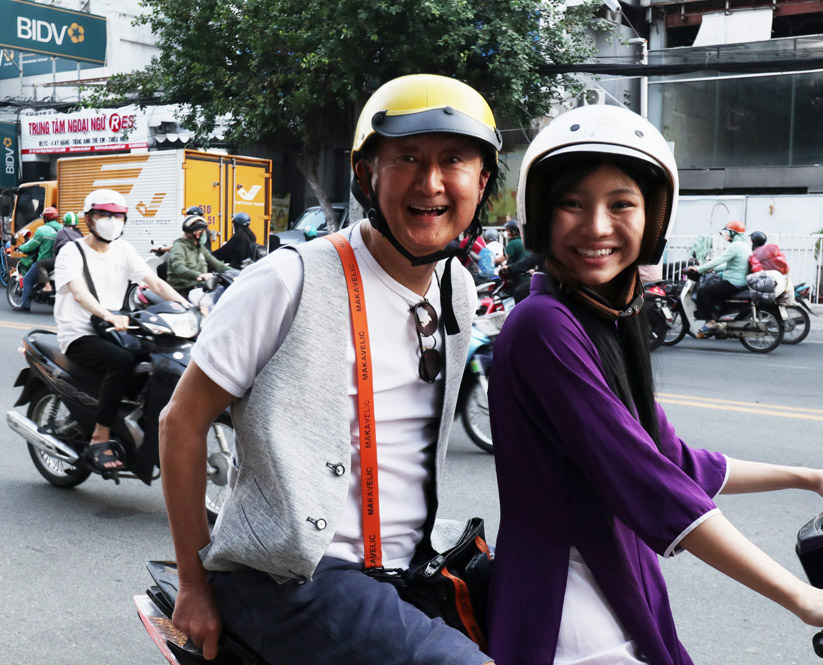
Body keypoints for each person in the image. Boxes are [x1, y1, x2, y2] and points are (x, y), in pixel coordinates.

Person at [486, 104, 823, 665]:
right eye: (572, 203)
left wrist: (809, 478)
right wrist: (803, 598)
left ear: (653, 219)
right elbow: (649, 481)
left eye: (621, 204)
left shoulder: (605, 317)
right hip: (567, 608)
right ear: (540, 215)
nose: (597, 226)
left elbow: (673, 458)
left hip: (611, 580)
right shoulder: (543, 325)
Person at [159, 74, 501, 665]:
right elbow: (180, 423)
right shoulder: (287, 280)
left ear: (483, 181)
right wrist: (193, 584)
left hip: (411, 565)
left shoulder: (458, 288)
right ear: (367, 175)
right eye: (407, 158)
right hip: (293, 578)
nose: (431, 182)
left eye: (454, 161)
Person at [53, 189, 187, 472]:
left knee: (160, 357)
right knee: (122, 362)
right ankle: (99, 436)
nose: (111, 221)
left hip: (114, 330)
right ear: (88, 219)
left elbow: (155, 283)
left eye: (118, 216)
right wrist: (107, 315)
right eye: (104, 214)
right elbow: (78, 293)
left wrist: (189, 307)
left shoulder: (124, 250)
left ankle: (136, 423)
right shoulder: (72, 251)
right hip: (80, 333)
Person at [686, 220, 751, 336]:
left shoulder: (735, 246)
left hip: (733, 282)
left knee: (703, 292)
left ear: (733, 233)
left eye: (727, 232)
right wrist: (714, 269)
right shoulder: (744, 246)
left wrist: (699, 269)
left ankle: (710, 322)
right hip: (741, 282)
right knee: (715, 291)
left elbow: (719, 260)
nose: (725, 235)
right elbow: (730, 265)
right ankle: (720, 324)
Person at [166, 215, 231, 299]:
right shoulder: (179, 247)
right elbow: (179, 268)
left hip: (199, 289)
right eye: (203, 231)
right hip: (183, 290)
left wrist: (238, 273)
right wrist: (200, 275)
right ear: (197, 234)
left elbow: (217, 265)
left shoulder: (200, 248)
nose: (206, 234)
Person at [13, 206, 62, 312]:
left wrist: (20, 247)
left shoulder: (42, 230)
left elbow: (30, 246)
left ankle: (25, 306)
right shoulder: (62, 228)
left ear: (45, 218)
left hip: (45, 261)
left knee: (27, 279)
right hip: (60, 261)